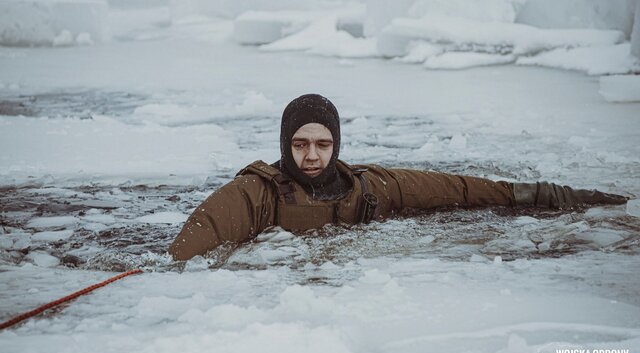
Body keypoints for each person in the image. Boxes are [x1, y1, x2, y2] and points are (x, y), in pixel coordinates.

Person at [169, 94, 627, 261]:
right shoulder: (259, 192)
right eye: (300, 144)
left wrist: (551, 195)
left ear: (337, 146)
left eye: (323, 145)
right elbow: (199, 234)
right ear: (286, 144)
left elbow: (459, 190)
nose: (311, 156)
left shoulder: (368, 187)